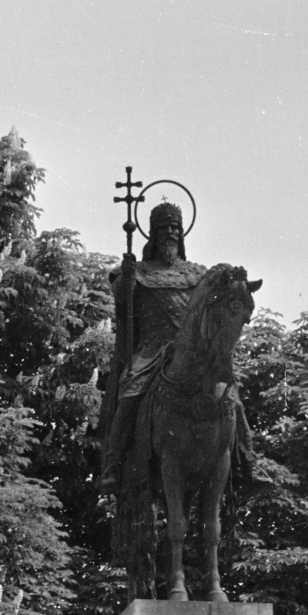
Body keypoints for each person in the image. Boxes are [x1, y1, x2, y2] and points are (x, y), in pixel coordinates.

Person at [98, 201, 207, 497]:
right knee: (129, 393)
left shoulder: (197, 274)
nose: (170, 233)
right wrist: (127, 276)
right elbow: (122, 299)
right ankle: (113, 464)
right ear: (153, 233)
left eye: (175, 228)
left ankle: (246, 459)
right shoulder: (140, 271)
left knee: (229, 395)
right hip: (152, 350)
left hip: (191, 353)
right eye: (164, 228)